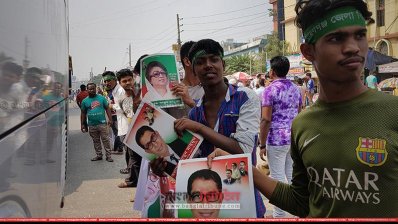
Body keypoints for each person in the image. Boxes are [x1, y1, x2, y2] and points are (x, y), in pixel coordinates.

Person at [209, 0, 398, 218]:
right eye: (336, 38)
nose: (353, 48)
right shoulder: (302, 125)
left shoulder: (392, 113)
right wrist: (239, 167)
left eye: (359, 35)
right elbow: (301, 202)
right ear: (308, 52)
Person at [170, 39, 265, 218]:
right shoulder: (195, 112)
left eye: (213, 59)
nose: (208, 65)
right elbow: (191, 163)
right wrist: (163, 167)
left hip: (244, 197)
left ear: (223, 63)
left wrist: (199, 127)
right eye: (200, 62)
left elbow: (242, 150)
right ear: (193, 69)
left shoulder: (245, 98)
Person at [258, 55, 302, 218]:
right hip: (292, 138)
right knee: (291, 176)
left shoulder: (269, 90)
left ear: (273, 71)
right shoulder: (295, 89)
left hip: (276, 140)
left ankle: (279, 215)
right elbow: (299, 114)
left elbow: (265, 119)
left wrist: (262, 144)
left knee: (276, 178)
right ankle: (298, 212)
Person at [116, 68, 142, 188]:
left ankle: (138, 185)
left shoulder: (141, 93)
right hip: (130, 132)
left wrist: (136, 98)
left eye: (129, 80)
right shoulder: (121, 99)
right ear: (120, 83)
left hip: (144, 131)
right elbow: (127, 116)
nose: (127, 83)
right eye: (124, 81)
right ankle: (135, 184)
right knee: (134, 159)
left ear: (133, 79)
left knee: (143, 161)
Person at [80, 83, 114, 162]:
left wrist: (110, 119)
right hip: (92, 125)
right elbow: (83, 113)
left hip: (102, 123)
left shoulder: (101, 98)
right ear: (87, 90)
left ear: (96, 88)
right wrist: (82, 124)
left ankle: (108, 156)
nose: (92, 90)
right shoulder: (85, 101)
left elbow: (107, 108)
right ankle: (99, 155)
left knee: (105, 139)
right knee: (96, 140)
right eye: (90, 89)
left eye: (93, 88)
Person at [102, 71, 125, 154]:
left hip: (119, 115)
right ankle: (118, 148)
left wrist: (111, 106)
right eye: (105, 81)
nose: (107, 83)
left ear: (115, 80)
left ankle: (119, 149)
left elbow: (124, 106)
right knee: (116, 132)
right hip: (113, 115)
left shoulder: (120, 90)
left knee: (119, 133)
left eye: (109, 80)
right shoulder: (112, 90)